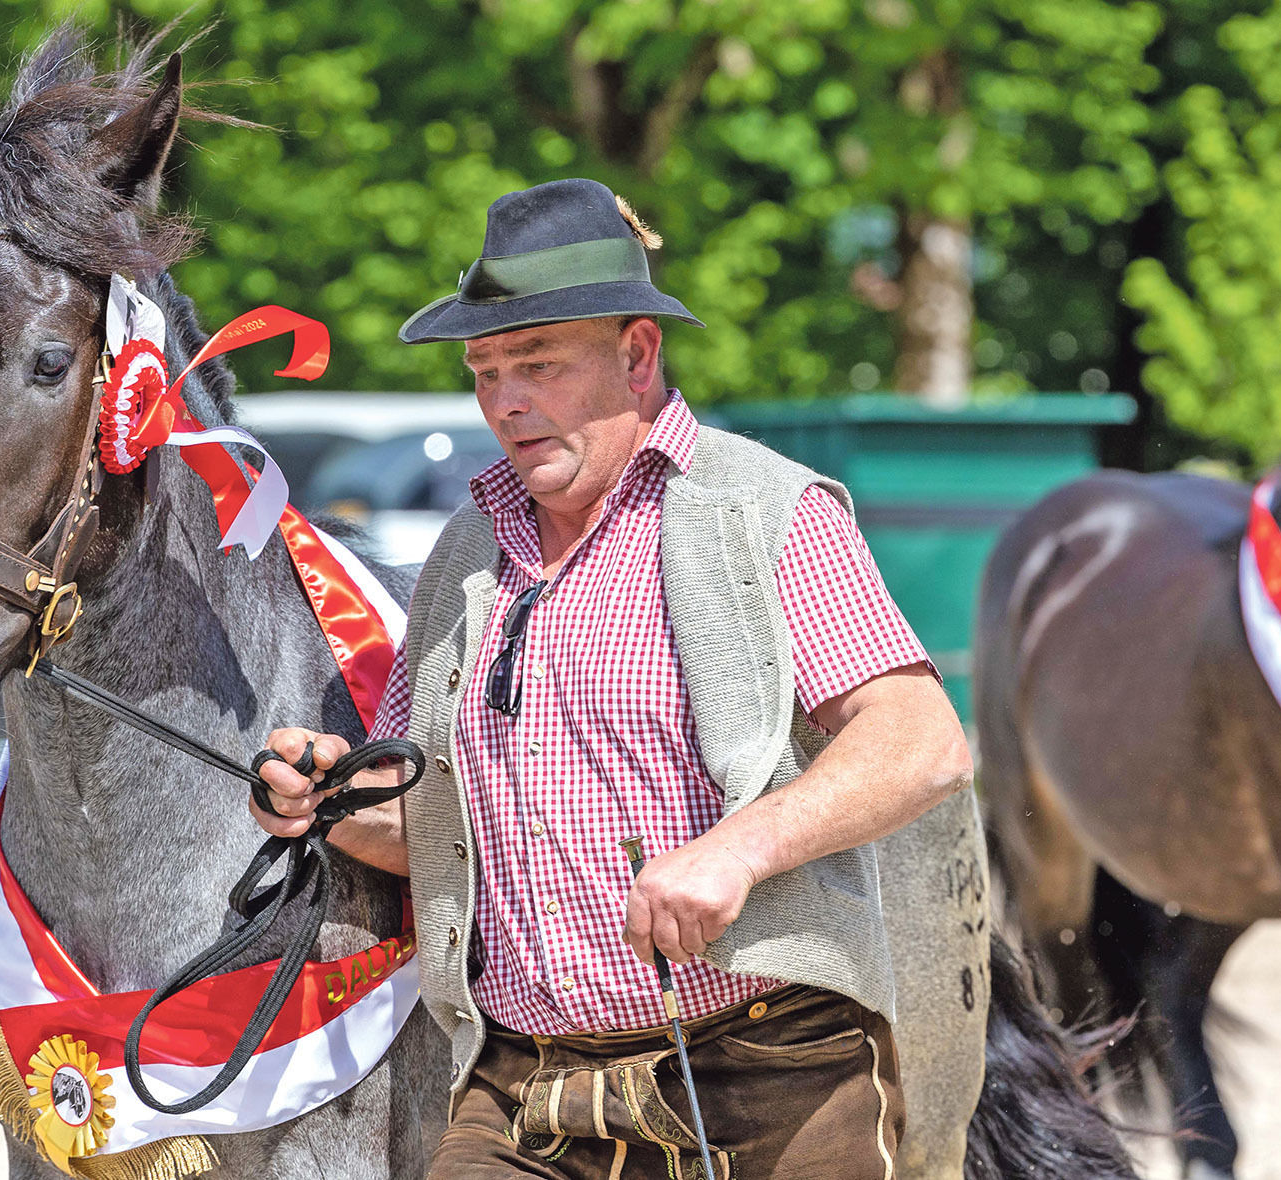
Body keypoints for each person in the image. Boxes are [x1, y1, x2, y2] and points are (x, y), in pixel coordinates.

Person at [253, 177, 972, 1180]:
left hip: (768, 1073)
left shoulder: (763, 512)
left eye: (537, 363)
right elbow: (434, 832)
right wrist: (326, 799)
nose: (505, 399)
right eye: (485, 369)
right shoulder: (464, 553)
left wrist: (735, 849)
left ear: (637, 355)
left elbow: (922, 741)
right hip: (524, 1087)